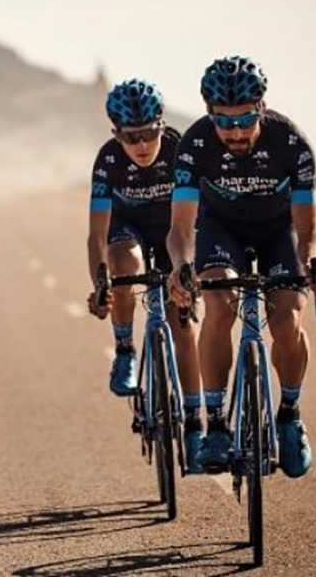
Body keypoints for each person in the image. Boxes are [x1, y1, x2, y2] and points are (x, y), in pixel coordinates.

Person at [166, 56, 316, 478]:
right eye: (224, 121)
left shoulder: (291, 145)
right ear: (210, 114)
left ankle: (290, 415)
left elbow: (310, 230)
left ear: (260, 107)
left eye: (244, 119)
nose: (236, 131)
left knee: (287, 316)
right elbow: (181, 230)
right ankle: (217, 425)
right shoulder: (194, 145)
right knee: (219, 304)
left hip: (279, 230)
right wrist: (181, 266)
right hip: (221, 229)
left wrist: (315, 262)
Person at [87, 78, 204, 473]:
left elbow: (197, 221)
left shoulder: (180, 150)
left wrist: (188, 271)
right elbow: (96, 235)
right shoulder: (108, 160)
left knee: (183, 329)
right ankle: (125, 350)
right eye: (130, 136)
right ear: (116, 134)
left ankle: (195, 425)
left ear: (161, 124)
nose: (140, 145)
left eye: (148, 133)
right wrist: (99, 284)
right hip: (128, 230)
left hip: (173, 233)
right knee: (123, 266)